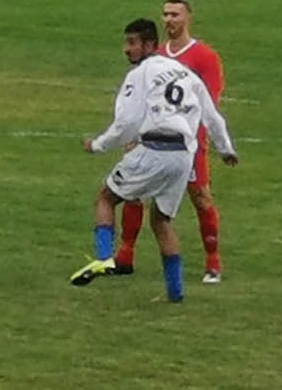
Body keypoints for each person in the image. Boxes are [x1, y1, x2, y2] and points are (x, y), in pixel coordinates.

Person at [71, 17, 239, 303]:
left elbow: (126, 124)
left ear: (150, 45)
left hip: (154, 148)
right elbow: (212, 117)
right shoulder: (186, 74)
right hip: (183, 156)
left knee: (105, 198)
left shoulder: (140, 74)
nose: (127, 49)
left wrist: (98, 145)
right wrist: (226, 150)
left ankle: (104, 258)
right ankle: (176, 293)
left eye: (132, 43)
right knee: (161, 220)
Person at [112, 0, 228, 283]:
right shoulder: (156, 55)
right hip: (149, 139)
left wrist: (200, 139)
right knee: (133, 192)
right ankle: (125, 254)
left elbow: (209, 103)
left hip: (187, 142)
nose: (169, 20)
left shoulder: (205, 57)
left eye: (175, 14)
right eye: (165, 14)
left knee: (200, 197)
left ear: (188, 18)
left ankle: (213, 261)